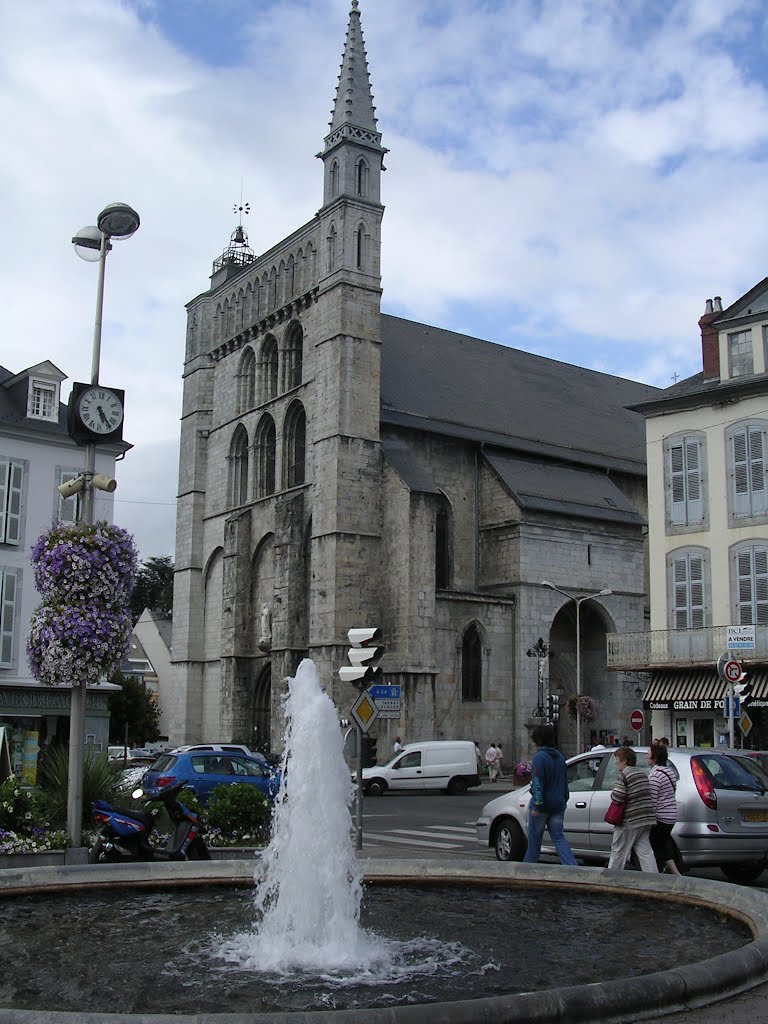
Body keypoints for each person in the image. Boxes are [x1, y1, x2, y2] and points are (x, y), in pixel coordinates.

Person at [523, 724, 577, 865]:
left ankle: (527, 871)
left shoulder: (539, 757)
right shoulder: (559, 757)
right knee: (559, 838)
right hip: (558, 804)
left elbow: (538, 782)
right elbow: (564, 782)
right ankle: (573, 868)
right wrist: (564, 799)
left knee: (534, 842)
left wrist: (537, 804)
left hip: (542, 806)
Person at [607, 747, 658, 872]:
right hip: (646, 819)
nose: (615, 762)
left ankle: (612, 879)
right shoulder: (642, 774)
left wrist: (612, 794)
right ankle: (655, 880)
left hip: (629, 820)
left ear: (624, 761)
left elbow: (618, 797)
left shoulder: (624, 775)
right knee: (646, 853)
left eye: (617, 759)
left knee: (618, 852)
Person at [647, 742, 681, 875]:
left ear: (654, 758)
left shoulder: (655, 776)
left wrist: (649, 819)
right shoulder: (669, 772)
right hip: (671, 815)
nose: (646, 756)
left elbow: (652, 800)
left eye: (648, 754)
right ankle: (676, 873)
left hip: (661, 817)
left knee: (654, 845)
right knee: (663, 845)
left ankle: (657, 873)